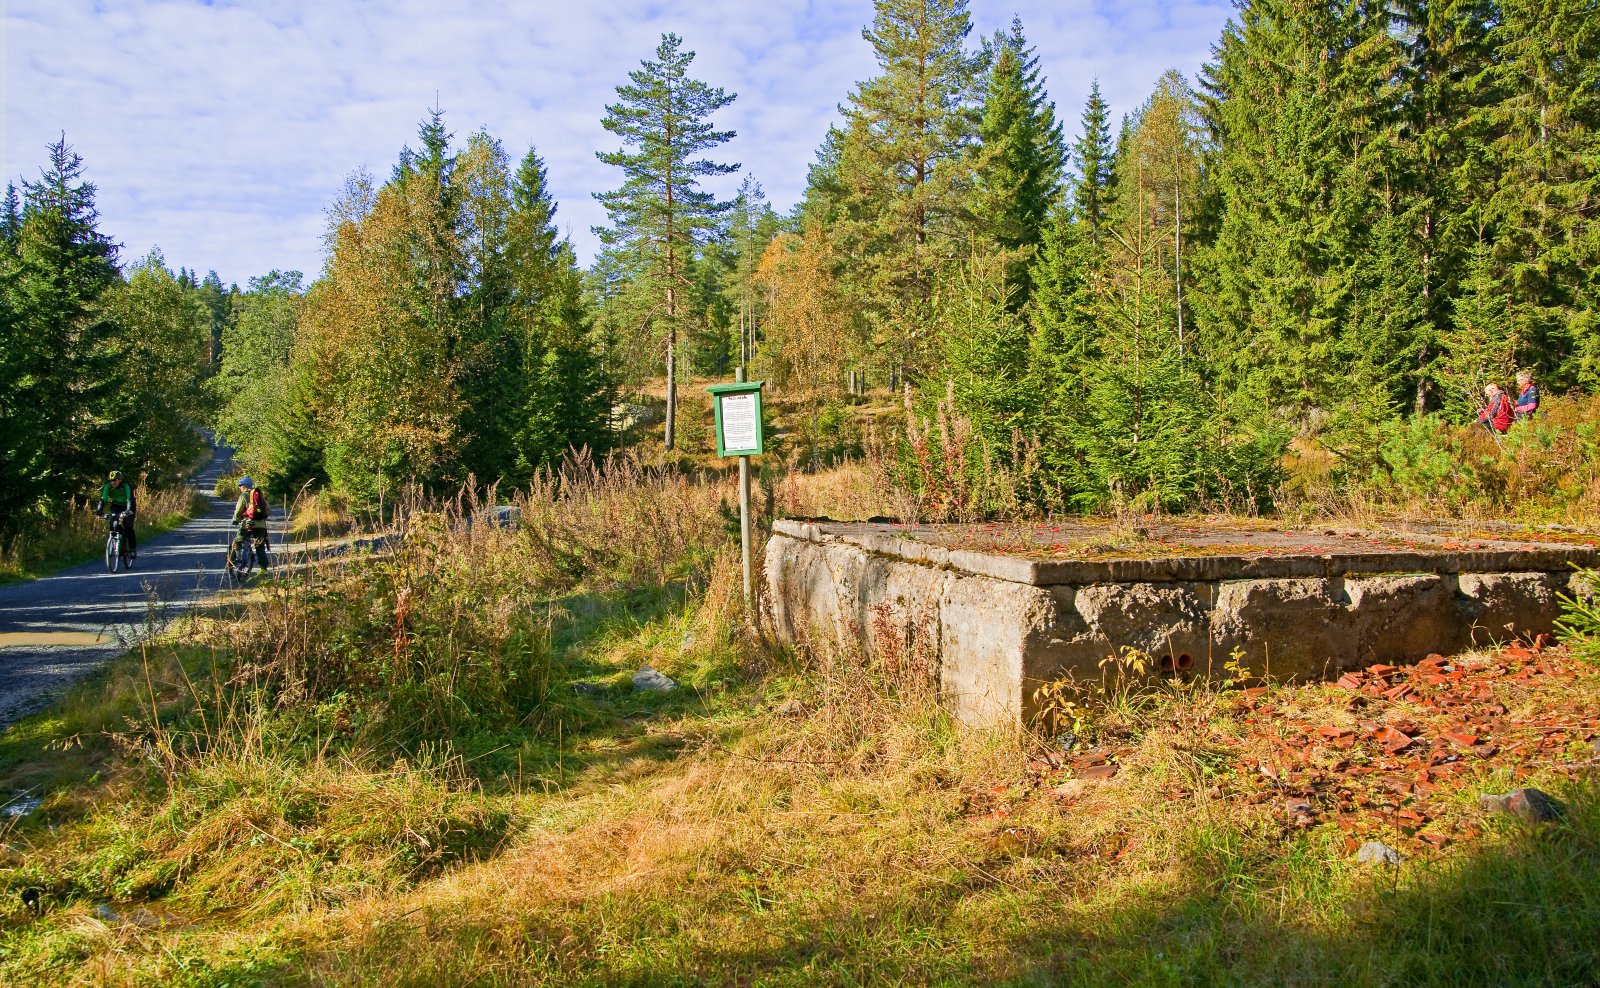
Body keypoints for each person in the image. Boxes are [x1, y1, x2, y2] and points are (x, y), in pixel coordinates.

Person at [96, 470, 137, 562]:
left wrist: (128, 511)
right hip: (116, 505)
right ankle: (118, 546)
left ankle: (132, 549)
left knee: (128, 527)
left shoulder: (125, 486)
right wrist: (99, 511)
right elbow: (103, 499)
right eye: (111, 480)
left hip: (128, 505)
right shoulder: (108, 486)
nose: (113, 482)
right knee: (114, 523)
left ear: (120, 480)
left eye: (115, 480)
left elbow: (129, 499)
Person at [231, 476, 271, 569]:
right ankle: (263, 569)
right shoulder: (259, 495)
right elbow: (268, 510)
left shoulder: (244, 495)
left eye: (240, 485)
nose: (239, 487)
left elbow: (238, 510)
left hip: (249, 523)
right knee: (260, 546)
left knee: (237, 541)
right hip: (261, 524)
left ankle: (231, 563)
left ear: (244, 486)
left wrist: (235, 519)